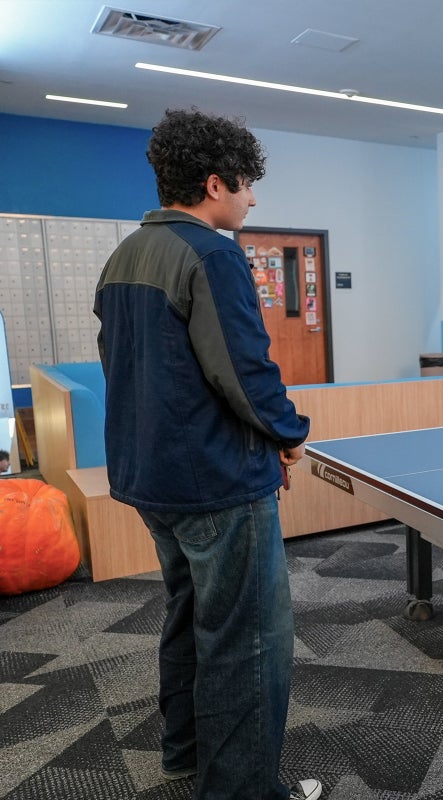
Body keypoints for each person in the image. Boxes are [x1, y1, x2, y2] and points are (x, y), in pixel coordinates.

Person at [94, 109, 321, 800]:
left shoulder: (125, 254)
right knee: (248, 640)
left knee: (190, 616)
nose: (253, 199)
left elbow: (130, 369)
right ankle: (244, 791)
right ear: (215, 183)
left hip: (150, 477)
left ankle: (184, 754)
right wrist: (289, 433)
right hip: (216, 483)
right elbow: (244, 372)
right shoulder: (213, 255)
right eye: (248, 184)